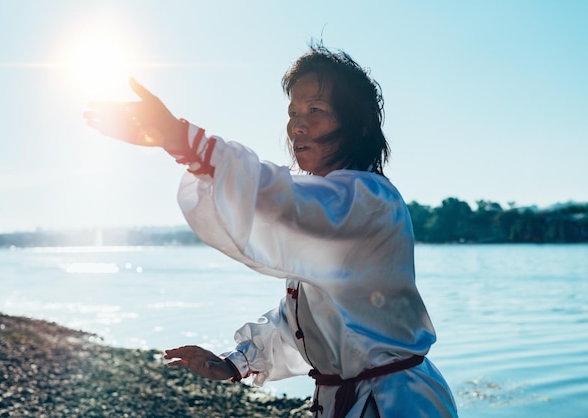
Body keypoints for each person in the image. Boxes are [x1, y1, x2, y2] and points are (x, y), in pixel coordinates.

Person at [84, 44, 458, 418]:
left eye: (316, 110)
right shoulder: (335, 208)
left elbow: (283, 201)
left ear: (358, 126)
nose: (298, 124)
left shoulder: (369, 200)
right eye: (293, 112)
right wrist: (235, 362)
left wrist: (187, 143)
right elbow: (305, 319)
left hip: (397, 405)